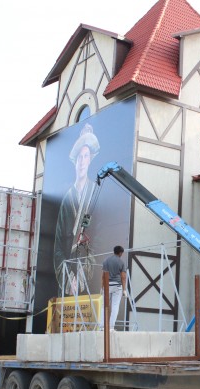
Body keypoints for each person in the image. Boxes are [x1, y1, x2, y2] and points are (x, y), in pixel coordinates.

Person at [54, 123, 100, 295]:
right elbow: (58, 245)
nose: (82, 162)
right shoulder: (67, 199)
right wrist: (68, 277)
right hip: (68, 271)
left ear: (90, 160)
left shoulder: (95, 191)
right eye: (79, 157)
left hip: (87, 273)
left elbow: (99, 237)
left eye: (85, 156)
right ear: (75, 161)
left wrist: (81, 276)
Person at [102, 245, 127, 331]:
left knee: (104, 306)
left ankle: (102, 326)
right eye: (122, 253)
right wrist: (124, 290)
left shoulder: (106, 260)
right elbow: (123, 277)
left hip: (107, 285)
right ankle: (111, 327)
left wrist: (102, 287)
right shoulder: (121, 262)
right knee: (115, 306)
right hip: (117, 286)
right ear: (120, 253)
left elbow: (103, 276)